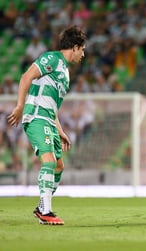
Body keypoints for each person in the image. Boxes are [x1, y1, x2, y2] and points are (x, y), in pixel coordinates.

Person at [7, 25, 87, 225]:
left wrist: (61, 131)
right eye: (83, 49)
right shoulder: (51, 58)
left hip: (49, 119)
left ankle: (43, 206)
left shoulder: (66, 74)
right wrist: (19, 105)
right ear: (75, 47)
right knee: (49, 162)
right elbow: (26, 77)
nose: (83, 54)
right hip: (35, 116)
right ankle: (45, 210)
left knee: (59, 166)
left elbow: (53, 107)